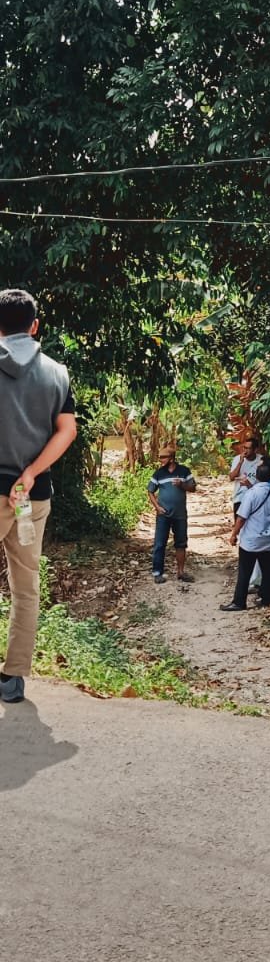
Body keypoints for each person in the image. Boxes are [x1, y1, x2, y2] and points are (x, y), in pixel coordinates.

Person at [0, 288, 77, 704]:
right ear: (34, 326)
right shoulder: (57, 373)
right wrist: (30, 474)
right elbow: (67, 430)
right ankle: (13, 679)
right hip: (33, 496)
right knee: (26, 587)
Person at [221, 457, 270, 612]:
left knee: (244, 571)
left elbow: (241, 518)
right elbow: (263, 494)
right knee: (267, 569)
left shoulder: (250, 494)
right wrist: (250, 485)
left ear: (257, 475)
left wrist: (234, 534)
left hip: (251, 539)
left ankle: (239, 602)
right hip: (267, 538)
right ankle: (267, 598)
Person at [147, 446, 196, 583]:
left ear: (172, 458)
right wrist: (157, 507)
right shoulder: (158, 473)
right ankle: (157, 573)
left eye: (163, 457)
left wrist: (182, 485)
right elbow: (150, 491)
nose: (160, 460)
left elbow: (193, 488)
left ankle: (181, 572)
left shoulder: (184, 471)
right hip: (164, 515)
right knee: (159, 543)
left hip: (180, 515)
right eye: (160, 457)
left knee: (181, 543)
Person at [229, 434, 262, 512]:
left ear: (255, 450)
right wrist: (240, 462)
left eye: (248, 448)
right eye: (244, 447)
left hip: (255, 498)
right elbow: (231, 477)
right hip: (239, 498)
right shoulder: (237, 459)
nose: (245, 450)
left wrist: (249, 484)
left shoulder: (261, 460)